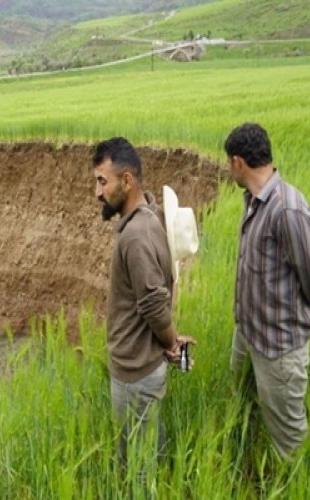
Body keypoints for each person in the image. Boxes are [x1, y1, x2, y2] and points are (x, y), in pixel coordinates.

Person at [224, 122, 310, 458]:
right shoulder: (254, 200)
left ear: (238, 162)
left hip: (278, 345)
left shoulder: (286, 208)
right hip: (249, 332)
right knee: (242, 405)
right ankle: (247, 462)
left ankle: (292, 484)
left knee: (288, 437)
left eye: (229, 163)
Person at [91, 137, 195, 481]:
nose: (97, 192)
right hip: (144, 365)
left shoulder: (134, 236)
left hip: (135, 372)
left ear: (127, 180)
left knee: (136, 468)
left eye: (102, 181)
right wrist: (170, 341)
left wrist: (169, 343)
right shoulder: (150, 215)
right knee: (150, 450)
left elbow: (152, 302)